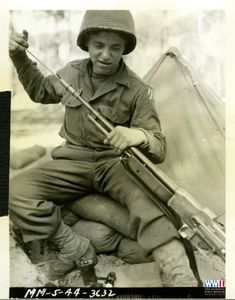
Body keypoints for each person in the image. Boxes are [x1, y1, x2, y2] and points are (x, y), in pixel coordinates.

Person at [9, 10, 198, 286]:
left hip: (115, 166)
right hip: (72, 162)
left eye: (115, 48)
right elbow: (39, 90)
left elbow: (159, 146)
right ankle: (74, 246)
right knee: (15, 190)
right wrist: (19, 56)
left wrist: (138, 136)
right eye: (98, 45)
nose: (106, 55)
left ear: (124, 50)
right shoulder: (70, 73)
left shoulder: (137, 89)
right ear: (86, 44)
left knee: (149, 206)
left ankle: (180, 278)